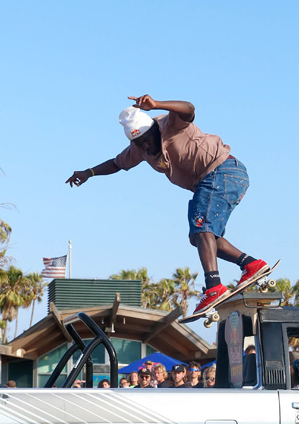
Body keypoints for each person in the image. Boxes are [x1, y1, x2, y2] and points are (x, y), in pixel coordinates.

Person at [66, 95, 269, 317]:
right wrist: (89, 172)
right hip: (210, 182)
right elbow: (116, 163)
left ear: (154, 129)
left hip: (223, 170)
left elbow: (189, 108)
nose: (146, 146)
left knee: (202, 228)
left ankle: (214, 287)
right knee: (199, 236)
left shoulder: (170, 124)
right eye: (139, 143)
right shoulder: (140, 150)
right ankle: (251, 264)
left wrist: (156, 105)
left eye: (147, 139)